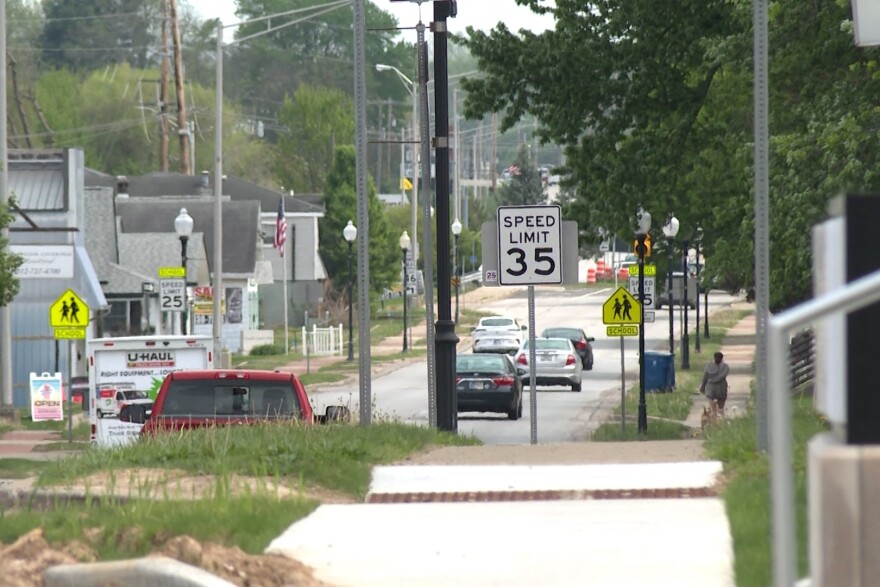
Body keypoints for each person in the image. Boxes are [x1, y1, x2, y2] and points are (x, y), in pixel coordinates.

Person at [700, 351, 729, 416]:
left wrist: (702, 387)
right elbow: (722, 376)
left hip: (711, 389)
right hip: (721, 389)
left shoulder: (709, 366)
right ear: (722, 358)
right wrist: (715, 380)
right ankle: (721, 423)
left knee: (713, 410)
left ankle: (713, 423)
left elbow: (705, 377)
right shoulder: (725, 367)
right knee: (721, 409)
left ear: (714, 357)